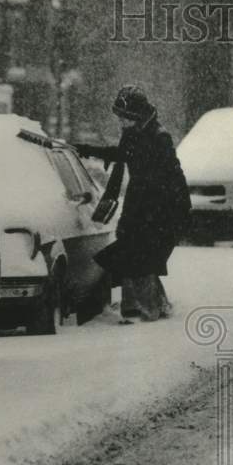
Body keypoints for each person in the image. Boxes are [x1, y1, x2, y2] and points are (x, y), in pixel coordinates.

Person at [73, 86, 191, 323]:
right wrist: (87, 150)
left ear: (135, 116)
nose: (120, 122)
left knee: (136, 254)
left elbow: (171, 176)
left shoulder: (159, 137)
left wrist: (171, 210)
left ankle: (141, 308)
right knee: (136, 254)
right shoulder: (135, 133)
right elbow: (123, 154)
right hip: (140, 203)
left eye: (123, 117)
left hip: (158, 206)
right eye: (119, 117)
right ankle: (148, 305)